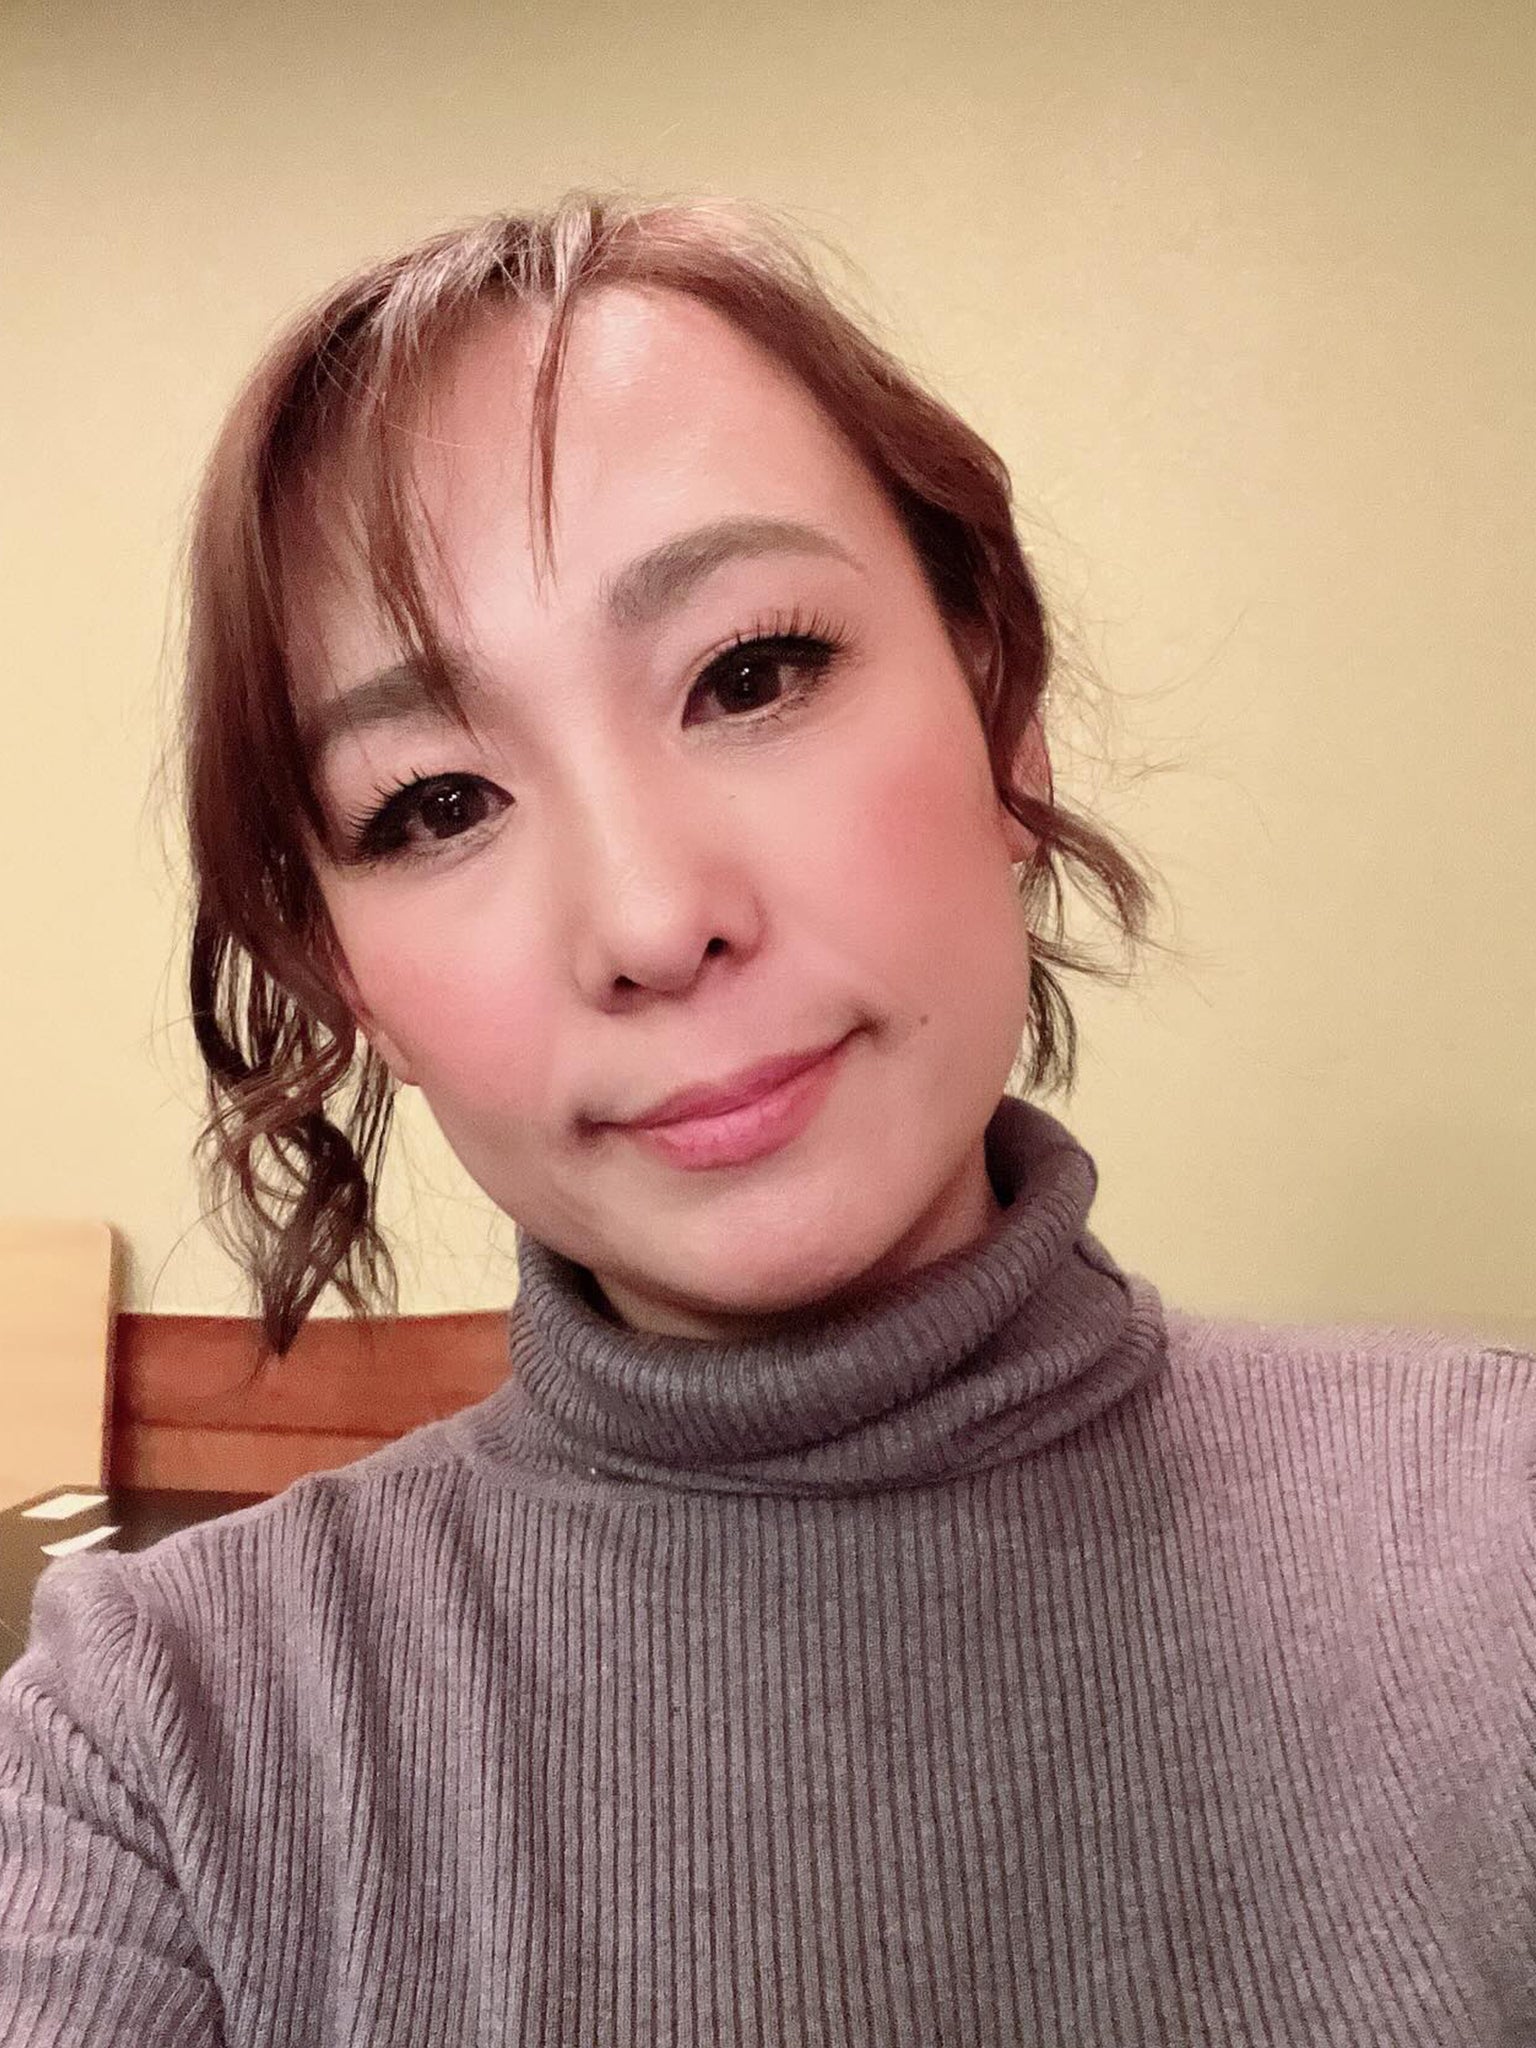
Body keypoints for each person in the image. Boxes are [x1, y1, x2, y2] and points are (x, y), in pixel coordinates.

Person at [1, 194, 1531, 2046]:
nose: (654, 920)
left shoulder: (1499, 1533)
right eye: (436, 804)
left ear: (1002, 713)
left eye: (752, 675)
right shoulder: (148, 1751)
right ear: (349, 981)